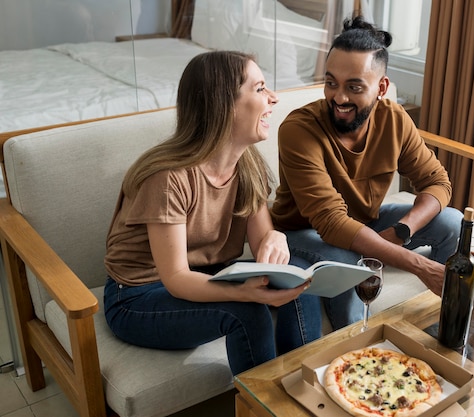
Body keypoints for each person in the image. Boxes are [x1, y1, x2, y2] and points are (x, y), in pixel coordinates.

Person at [103, 51, 319, 376]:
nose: (274, 98)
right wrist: (241, 292)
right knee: (246, 312)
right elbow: (175, 278)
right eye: (260, 89)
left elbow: (264, 245)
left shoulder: (248, 165)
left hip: (209, 274)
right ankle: (264, 409)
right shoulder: (169, 178)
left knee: (300, 278)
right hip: (137, 296)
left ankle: (302, 385)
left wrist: (274, 238)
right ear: (225, 104)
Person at [270, 16, 463, 330]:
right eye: (331, 83)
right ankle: (352, 346)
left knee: (452, 221)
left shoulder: (394, 120)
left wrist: (401, 231)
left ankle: (430, 325)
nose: (339, 98)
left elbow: (437, 182)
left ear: (381, 88)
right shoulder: (299, 130)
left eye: (354, 87)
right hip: (302, 233)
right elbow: (332, 223)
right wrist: (417, 264)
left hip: (363, 222)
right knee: (349, 263)